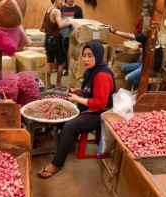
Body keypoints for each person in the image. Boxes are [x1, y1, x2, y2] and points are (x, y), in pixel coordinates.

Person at [37, 41, 116, 179]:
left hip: (101, 113)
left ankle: (56, 164)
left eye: (90, 56)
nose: (85, 59)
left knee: (69, 126)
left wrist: (76, 99)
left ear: (98, 56)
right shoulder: (92, 71)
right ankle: (67, 144)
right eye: (84, 55)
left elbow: (100, 104)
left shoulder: (102, 75)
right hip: (90, 107)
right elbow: (88, 90)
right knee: (62, 113)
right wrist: (76, 91)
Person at [40, 0, 72, 89]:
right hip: (55, 41)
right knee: (62, 63)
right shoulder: (57, 11)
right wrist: (71, 23)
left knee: (49, 63)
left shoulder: (47, 11)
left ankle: (48, 84)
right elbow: (61, 25)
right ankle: (58, 84)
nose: (63, 3)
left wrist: (50, 32)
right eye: (61, 0)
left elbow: (41, 28)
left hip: (47, 39)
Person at [61, 0, 83, 76]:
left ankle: (74, 69)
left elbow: (81, 23)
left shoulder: (78, 9)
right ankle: (65, 68)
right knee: (64, 52)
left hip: (74, 35)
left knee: (74, 53)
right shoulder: (61, 9)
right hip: (64, 35)